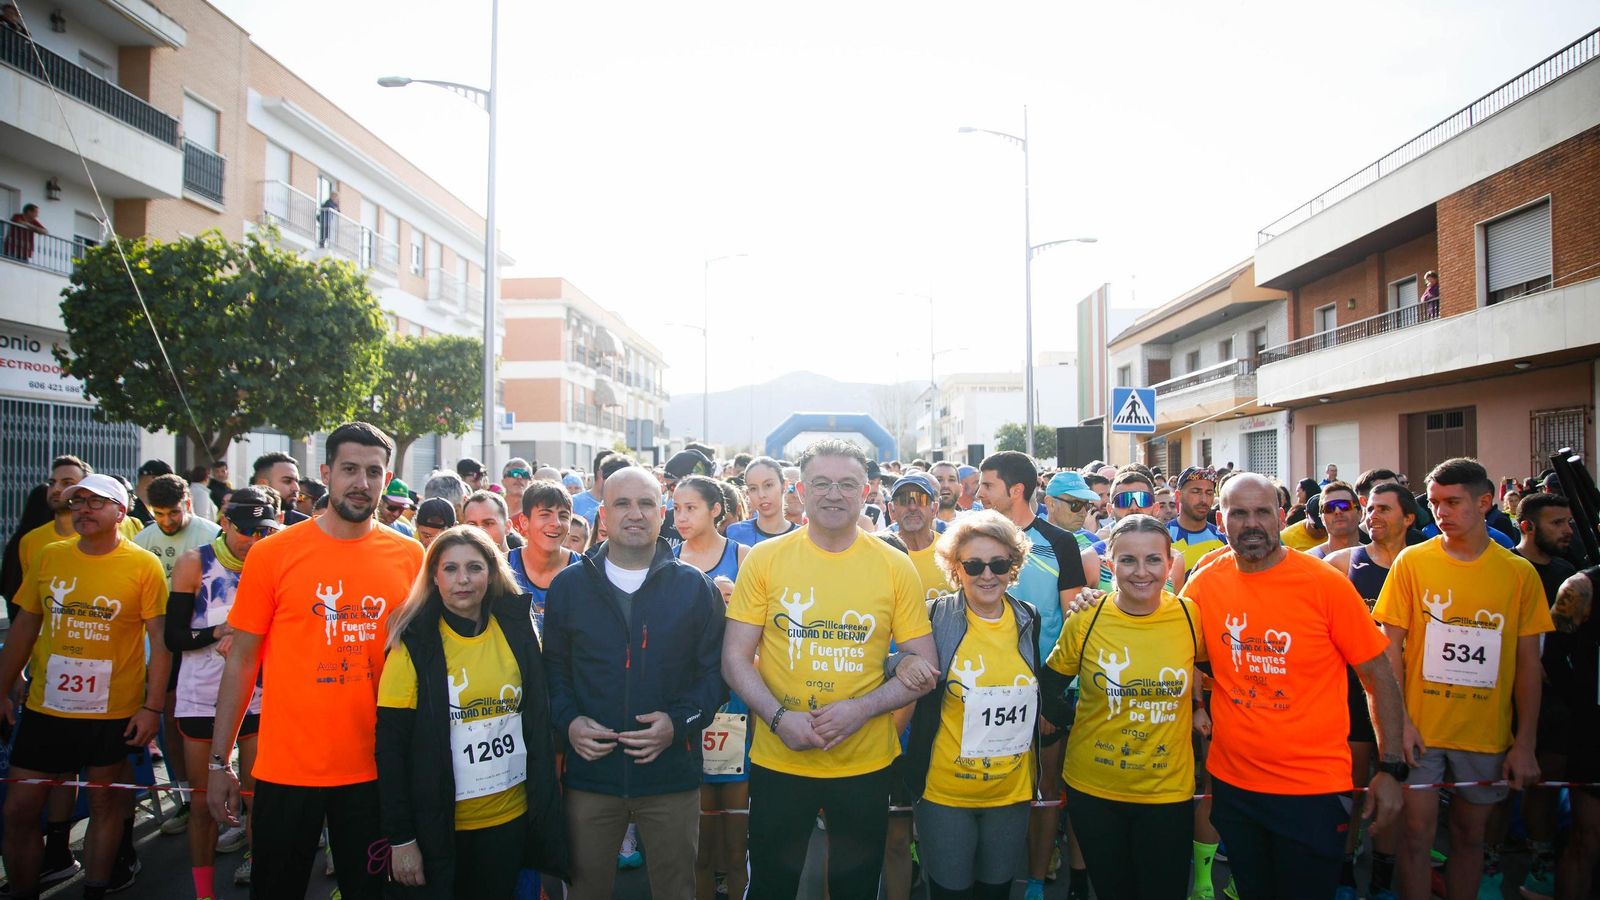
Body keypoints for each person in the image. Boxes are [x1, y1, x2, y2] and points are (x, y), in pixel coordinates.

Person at [206, 422, 424, 900]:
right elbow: (241, 661)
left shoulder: (410, 556)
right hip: (287, 770)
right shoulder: (273, 553)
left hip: (374, 772)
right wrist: (219, 762)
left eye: (373, 472)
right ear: (326, 473)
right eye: (349, 469)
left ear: (387, 480)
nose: (361, 483)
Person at [723, 439, 937, 900]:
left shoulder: (895, 565)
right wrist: (780, 721)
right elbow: (735, 658)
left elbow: (926, 666)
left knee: (855, 889)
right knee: (771, 887)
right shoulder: (765, 559)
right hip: (781, 757)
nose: (833, 494)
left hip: (865, 761)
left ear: (867, 492)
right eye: (821, 483)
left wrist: (861, 710)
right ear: (801, 489)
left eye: (847, 484)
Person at [1180, 473, 1405, 898]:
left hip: (1312, 790)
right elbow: (1173, 645)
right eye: (1239, 513)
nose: (1251, 523)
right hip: (1235, 786)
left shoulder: (1324, 583)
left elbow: (1378, 676)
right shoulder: (1205, 583)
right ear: (1220, 519)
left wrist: (1391, 768)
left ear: (1281, 517)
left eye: (1263, 512)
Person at [543, 464, 725, 900]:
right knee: (585, 890)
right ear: (603, 513)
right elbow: (553, 672)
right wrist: (569, 723)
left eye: (646, 503)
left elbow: (714, 677)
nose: (635, 513)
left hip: (670, 776)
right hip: (592, 776)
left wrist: (678, 724)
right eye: (622, 503)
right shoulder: (569, 587)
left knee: (676, 890)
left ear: (661, 513)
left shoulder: (695, 589)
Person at [1373, 457, 1552, 900]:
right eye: (1435, 503)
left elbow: (1529, 665)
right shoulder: (1412, 563)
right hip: (1423, 730)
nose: (1441, 513)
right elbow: (1388, 649)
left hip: (1486, 734)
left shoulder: (1518, 574)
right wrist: (1401, 725)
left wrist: (1524, 742)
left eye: (1453, 502)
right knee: (1416, 837)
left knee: (1471, 839)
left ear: (1485, 502)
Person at [0, 474, 169, 900]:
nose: (84, 509)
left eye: (97, 502)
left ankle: (94, 889)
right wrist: (2, 687)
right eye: (78, 502)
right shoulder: (49, 555)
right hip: (46, 708)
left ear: (121, 511)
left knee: (102, 805)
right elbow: (24, 625)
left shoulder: (143, 564)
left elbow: (160, 643)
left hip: (111, 712)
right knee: (19, 809)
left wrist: (151, 708)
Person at [376, 525, 567, 897]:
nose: (462, 579)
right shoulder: (412, 642)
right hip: (443, 830)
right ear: (433, 576)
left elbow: (537, 721)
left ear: (492, 573)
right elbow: (391, 748)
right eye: (450, 569)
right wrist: (400, 838)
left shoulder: (516, 628)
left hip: (512, 820)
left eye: (474, 568)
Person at [1040, 515, 1206, 900]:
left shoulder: (1188, 615)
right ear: (1110, 566)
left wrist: (1199, 707)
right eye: (1128, 561)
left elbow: (1212, 673)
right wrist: (1077, 722)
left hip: (1167, 791)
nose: (1141, 572)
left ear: (1170, 564)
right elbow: (1048, 686)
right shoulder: (1087, 616)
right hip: (1095, 790)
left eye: (1153, 560)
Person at [891, 510, 1041, 900]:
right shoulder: (934, 617)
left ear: (1014, 566)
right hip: (946, 794)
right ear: (956, 569)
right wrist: (900, 661)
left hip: (1011, 791)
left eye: (999, 563)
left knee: (996, 893)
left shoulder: (1030, 619)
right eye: (974, 565)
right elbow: (887, 661)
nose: (987, 575)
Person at [976, 451, 1089, 900]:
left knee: (1046, 786)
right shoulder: (975, 538)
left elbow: (1072, 620)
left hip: (1045, 688)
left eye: (987, 486)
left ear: (1015, 490)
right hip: (983, 687)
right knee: (991, 780)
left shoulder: (1059, 541)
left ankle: (1038, 880)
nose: (978, 493)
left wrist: (1053, 692)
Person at [165, 486, 280, 896]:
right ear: (226, 522)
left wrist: (256, 639)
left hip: (258, 695)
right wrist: (219, 632)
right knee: (203, 802)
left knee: (256, 796)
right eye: (247, 531)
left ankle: (254, 864)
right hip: (201, 696)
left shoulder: (270, 562)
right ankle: (203, 890)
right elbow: (174, 636)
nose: (254, 540)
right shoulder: (195, 563)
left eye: (263, 531)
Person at [1322, 482, 1417, 900]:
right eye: (1371, 509)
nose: (1373, 516)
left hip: (1414, 690)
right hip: (1355, 692)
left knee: (1396, 789)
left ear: (1409, 518)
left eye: (1384, 509)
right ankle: (1344, 870)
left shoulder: (1420, 563)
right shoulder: (1344, 562)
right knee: (1354, 786)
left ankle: (1381, 876)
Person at [670, 475, 752, 900]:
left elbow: (767, 634)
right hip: (687, 703)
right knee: (697, 844)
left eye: (691, 508)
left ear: (716, 509)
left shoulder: (745, 557)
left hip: (739, 701)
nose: (681, 517)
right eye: (677, 508)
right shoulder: (665, 560)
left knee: (737, 841)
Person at [132, 473, 221, 836]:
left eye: (173, 512)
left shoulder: (211, 534)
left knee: (214, 716)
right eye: (159, 514)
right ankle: (185, 797)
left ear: (188, 502)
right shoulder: (142, 541)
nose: (166, 521)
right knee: (170, 716)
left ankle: (219, 790)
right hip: (163, 639)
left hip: (206, 638)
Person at [1510, 491, 1577, 898]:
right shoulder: (1509, 570)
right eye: (1557, 523)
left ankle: (1540, 858)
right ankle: (1494, 862)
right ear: (1527, 527)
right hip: (1504, 696)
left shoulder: (1571, 572)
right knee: (1498, 789)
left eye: (1569, 522)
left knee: (1546, 781)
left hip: (1557, 702)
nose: (1567, 530)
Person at [1549, 567, 1600, 900]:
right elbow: (1549, 651)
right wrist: (1581, 703)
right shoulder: (1583, 586)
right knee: (1587, 840)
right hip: (1594, 739)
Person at [508, 480, 582, 638]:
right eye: (545, 515)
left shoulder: (584, 571)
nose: (555, 523)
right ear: (524, 521)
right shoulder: (503, 567)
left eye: (563, 516)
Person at [885, 473, 950, 600]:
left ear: (934, 509)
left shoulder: (951, 550)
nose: (912, 507)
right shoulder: (882, 553)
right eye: (903, 500)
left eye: (921, 499)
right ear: (891, 511)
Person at [725, 457, 798, 546]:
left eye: (768, 485)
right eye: (753, 488)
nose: (761, 495)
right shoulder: (734, 534)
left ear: (785, 485)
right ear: (747, 493)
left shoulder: (803, 537)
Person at [1167, 466, 1226, 572]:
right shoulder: (1161, 538)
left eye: (1209, 493)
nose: (1203, 499)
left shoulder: (1223, 540)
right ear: (1178, 495)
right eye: (1196, 491)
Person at [1042, 470, 1100, 549]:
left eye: (1087, 505)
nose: (1083, 513)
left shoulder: (1092, 541)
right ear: (1051, 504)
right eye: (1075, 504)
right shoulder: (1029, 542)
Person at [1308, 480, 1362, 559]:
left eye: (1344, 505)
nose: (1337, 511)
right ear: (1322, 519)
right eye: (1329, 508)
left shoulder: (1377, 558)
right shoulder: (1308, 560)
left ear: (1359, 513)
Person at [250, 452, 306, 526]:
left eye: (297, 482)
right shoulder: (237, 519)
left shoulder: (303, 526)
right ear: (262, 484)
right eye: (287, 481)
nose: (296, 488)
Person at [462, 489, 515, 555]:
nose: (480, 531)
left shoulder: (525, 564)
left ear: (507, 526)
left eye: (488, 523)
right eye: (472, 525)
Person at [929, 461, 964, 525]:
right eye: (939, 480)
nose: (946, 485)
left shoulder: (970, 523)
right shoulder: (921, 525)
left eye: (951, 480)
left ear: (961, 489)